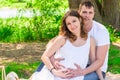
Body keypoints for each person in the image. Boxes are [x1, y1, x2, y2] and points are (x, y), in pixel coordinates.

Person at [33, 1, 110, 80]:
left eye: (90, 12)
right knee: (44, 67)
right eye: (84, 12)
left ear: (94, 14)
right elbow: (50, 45)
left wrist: (99, 77)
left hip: (89, 69)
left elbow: (98, 61)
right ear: (79, 13)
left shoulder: (99, 32)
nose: (87, 15)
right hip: (62, 69)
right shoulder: (66, 35)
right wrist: (52, 60)